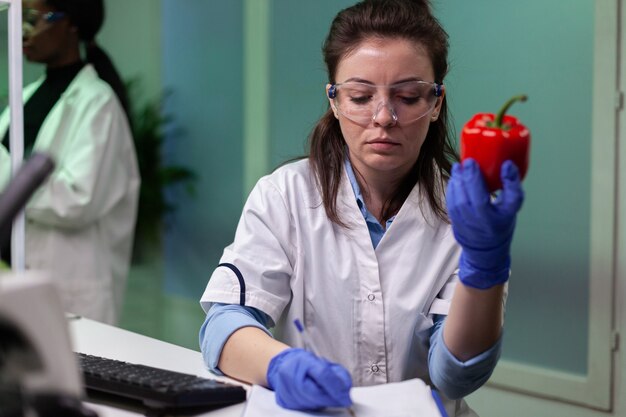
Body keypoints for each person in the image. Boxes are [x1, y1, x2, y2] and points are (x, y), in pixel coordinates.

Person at [199, 0, 524, 416]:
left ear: (436, 102)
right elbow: (223, 326)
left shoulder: (467, 215)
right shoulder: (286, 195)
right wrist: (280, 365)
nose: (384, 116)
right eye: (360, 95)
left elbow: (455, 376)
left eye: (407, 96)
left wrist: (485, 269)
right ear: (334, 102)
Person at [0, 0, 140, 325]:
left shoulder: (97, 102)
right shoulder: (26, 96)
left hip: (70, 287)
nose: (24, 30)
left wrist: (9, 176)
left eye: (34, 18)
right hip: (16, 278)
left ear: (70, 23)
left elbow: (77, 199)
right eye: (22, 18)